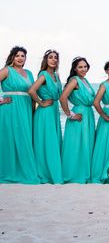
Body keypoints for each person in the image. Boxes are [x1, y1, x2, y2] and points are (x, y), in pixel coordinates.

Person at [0, 46, 39, 184]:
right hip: (10, 108)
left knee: (25, 138)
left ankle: (23, 170)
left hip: (26, 107)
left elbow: (32, 92)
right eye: (17, 56)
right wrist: (1, 100)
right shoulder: (7, 70)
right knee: (10, 138)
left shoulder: (28, 73)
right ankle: (9, 171)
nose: (20, 58)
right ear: (12, 57)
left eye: (23, 56)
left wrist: (34, 109)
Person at [28, 49, 63, 184]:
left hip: (54, 111)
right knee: (47, 143)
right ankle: (46, 174)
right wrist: (41, 103)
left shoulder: (56, 76)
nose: (53, 60)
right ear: (46, 60)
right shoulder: (43, 75)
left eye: (55, 58)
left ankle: (51, 172)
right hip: (45, 112)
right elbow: (31, 90)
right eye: (50, 57)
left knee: (52, 141)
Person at [60, 57, 96, 183]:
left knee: (86, 144)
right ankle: (73, 175)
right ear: (75, 68)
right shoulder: (74, 80)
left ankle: (84, 173)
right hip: (79, 115)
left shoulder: (84, 80)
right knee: (76, 145)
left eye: (85, 66)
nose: (83, 69)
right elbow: (63, 97)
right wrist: (70, 115)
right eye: (80, 67)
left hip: (88, 115)